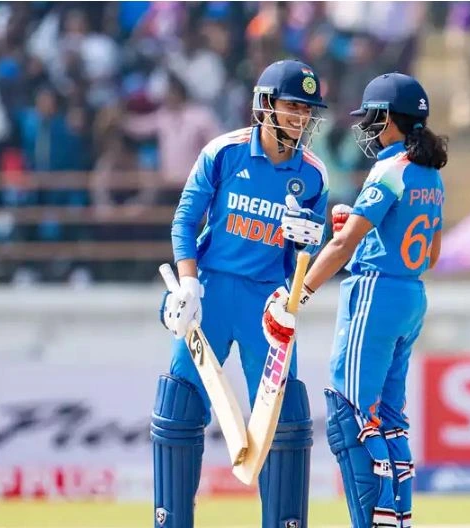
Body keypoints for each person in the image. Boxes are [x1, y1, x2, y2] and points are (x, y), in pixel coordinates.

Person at [262, 72, 447, 528]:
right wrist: (364, 232)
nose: (366, 128)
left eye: (371, 119)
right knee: (389, 419)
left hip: (376, 293)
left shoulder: (390, 169)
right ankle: (396, 519)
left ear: (388, 120)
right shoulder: (430, 176)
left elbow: (342, 247)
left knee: (350, 417)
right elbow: (432, 252)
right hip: (411, 296)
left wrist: (296, 295)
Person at [152, 59, 329, 528]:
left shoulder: (312, 175)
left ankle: (285, 522)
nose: (300, 117)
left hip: (267, 305)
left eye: (307, 109)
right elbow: (185, 220)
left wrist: (306, 241)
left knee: (284, 417)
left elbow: (308, 254)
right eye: (292, 105)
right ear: (265, 105)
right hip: (210, 292)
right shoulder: (223, 153)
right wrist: (187, 283)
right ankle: (171, 519)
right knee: (180, 405)